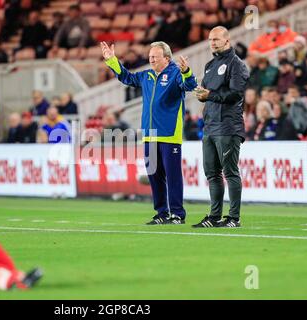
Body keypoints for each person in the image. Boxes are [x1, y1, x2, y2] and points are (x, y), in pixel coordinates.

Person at [101, 40, 197, 225]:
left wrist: (187, 72)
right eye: (150, 56)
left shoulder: (176, 73)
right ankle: (162, 213)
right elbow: (126, 77)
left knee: (173, 175)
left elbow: (190, 86)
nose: (151, 60)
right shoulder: (147, 76)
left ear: (167, 58)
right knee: (154, 175)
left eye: (155, 57)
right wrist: (112, 60)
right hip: (149, 134)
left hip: (169, 134)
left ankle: (177, 214)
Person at [193, 26, 249, 228]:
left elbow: (235, 94)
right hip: (210, 126)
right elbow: (209, 94)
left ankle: (234, 218)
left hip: (228, 126)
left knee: (230, 172)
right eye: (210, 39)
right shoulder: (209, 65)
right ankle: (214, 216)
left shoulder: (237, 65)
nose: (212, 43)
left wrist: (210, 95)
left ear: (227, 40)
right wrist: (202, 96)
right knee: (212, 173)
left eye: (216, 39)